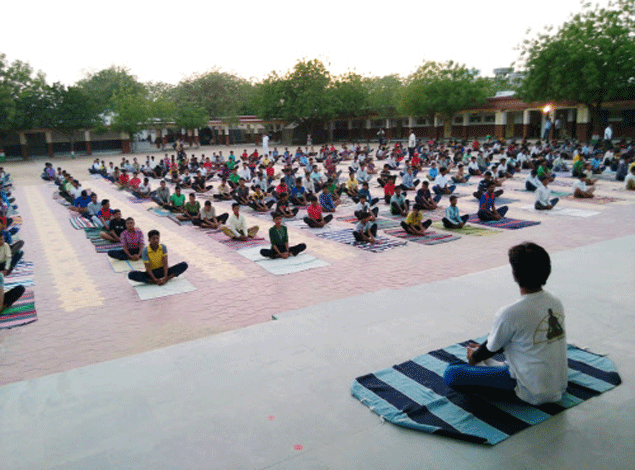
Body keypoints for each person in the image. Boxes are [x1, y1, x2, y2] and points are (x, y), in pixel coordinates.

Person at [443, 242, 567, 406]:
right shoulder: (555, 302)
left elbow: (491, 349)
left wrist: (474, 357)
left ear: (515, 274)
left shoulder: (510, 312)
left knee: (452, 373)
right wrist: (483, 349)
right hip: (558, 384)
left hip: (530, 389)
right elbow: (504, 341)